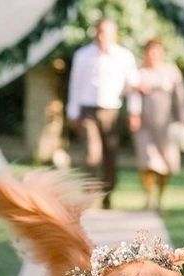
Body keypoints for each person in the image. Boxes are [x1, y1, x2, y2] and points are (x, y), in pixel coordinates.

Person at [66, 19, 139, 209]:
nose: (102, 37)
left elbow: (133, 87)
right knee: (92, 152)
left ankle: (108, 194)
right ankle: (89, 196)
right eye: (99, 32)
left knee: (110, 154)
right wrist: (72, 111)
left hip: (111, 111)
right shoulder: (82, 55)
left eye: (106, 33)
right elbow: (75, 84)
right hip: (87, 110)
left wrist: (134, 112)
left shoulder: (124, 56)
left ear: (114, 35)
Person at [128, 39, 184, 211]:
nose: (153, 56)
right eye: (150, 52)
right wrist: (133, 114)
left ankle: (160, 198)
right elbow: (133, 96)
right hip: (145, 123)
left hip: (166, 124)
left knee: (166, 162)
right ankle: (148, 196)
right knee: (147, 161)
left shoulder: (171, 71)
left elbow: (181, 98)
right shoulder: (139, 72)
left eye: (157, 52)